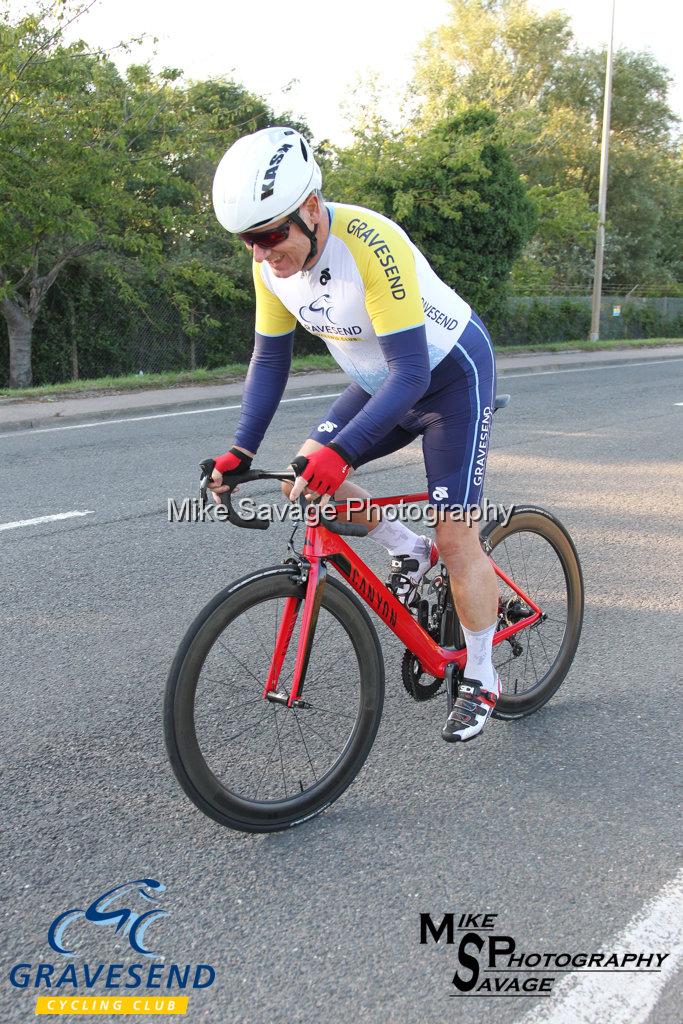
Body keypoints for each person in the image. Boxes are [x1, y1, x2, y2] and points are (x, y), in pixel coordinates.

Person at [209, 126, 500, 744]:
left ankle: (480, 672)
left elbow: (415, 371)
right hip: (381, 380)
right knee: (305, 478)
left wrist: (340, 452)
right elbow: (269, 361)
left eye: (268, 236)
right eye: (247, 241)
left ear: (311, 209)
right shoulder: (272, 267)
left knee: (457, 534)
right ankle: (406, 547)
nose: (261, 254)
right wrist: (241, 450)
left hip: (448, 378)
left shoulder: (370, 243)